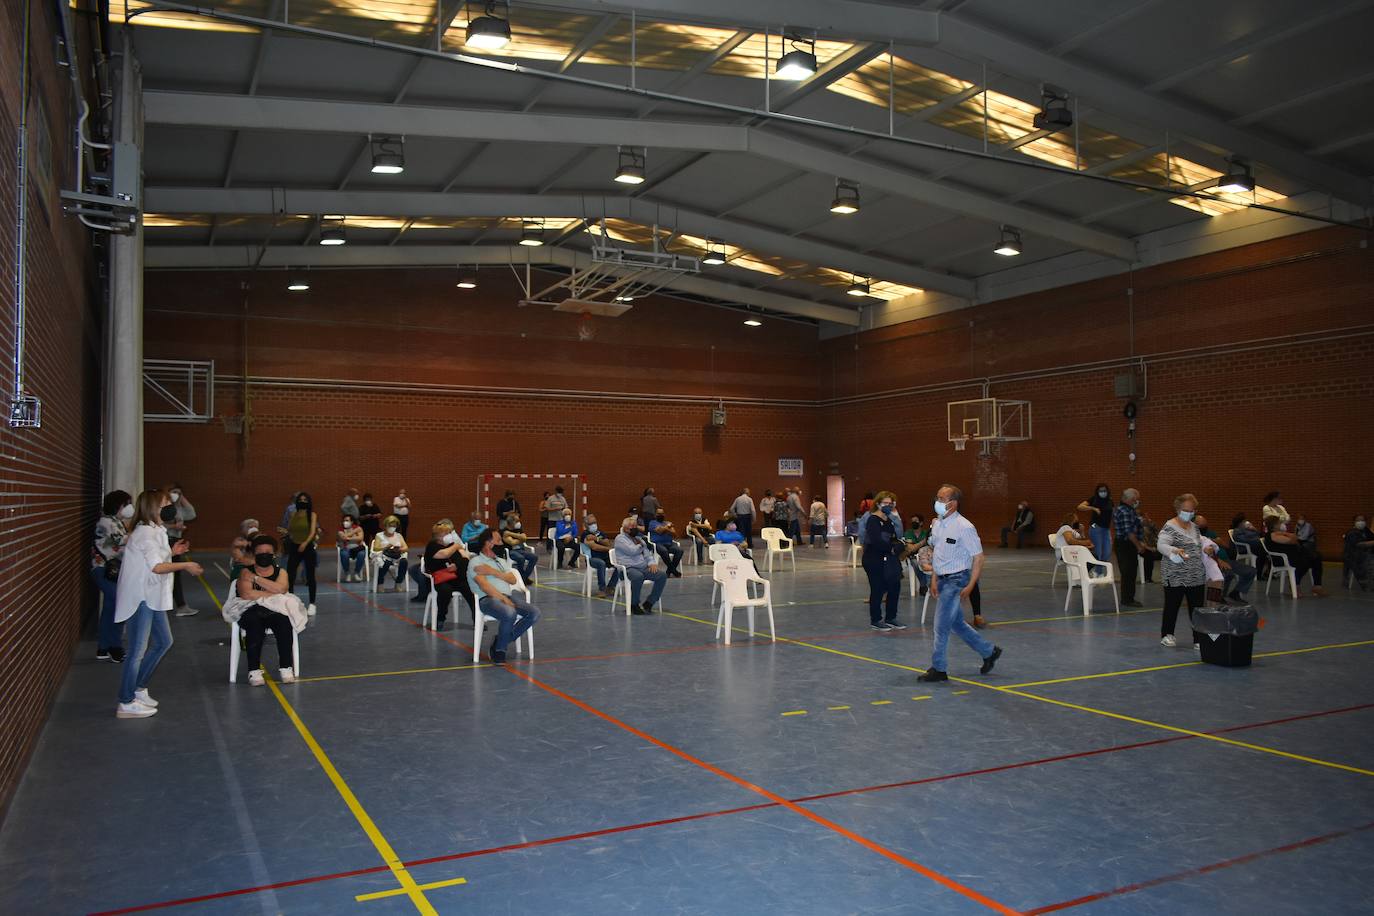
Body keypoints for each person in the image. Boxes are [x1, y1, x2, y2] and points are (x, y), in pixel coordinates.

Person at [113, 489, 202, 718]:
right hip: (141, 597)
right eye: (164, 503)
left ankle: (138, 688)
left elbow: (156, 559)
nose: (169, 506)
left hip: (152, 596)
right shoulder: (144, 533)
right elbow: (156, 567)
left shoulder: (157, 530)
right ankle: (126, 701)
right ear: (152, 507)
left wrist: (172, 552)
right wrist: (186, 565)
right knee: (137, 651)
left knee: (164, 642)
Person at [919, 485, 1001, 682]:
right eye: (937, 497)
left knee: (940, 625)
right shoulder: (937, 524)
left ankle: (939, 668)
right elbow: (938, 553)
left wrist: (971, 584)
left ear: (953, 503)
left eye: (942, 498)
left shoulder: (965, 527)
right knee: (956, 623)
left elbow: (979, 558)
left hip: (958, 579)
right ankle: (989, 651)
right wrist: (934, 578)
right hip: (942, 578)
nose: (937, 502)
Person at [222, 535, 308, 686]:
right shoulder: (244, 572)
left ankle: (286, 667)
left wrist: (255, 579)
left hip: (275, 610)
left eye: (268, 552)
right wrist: (272, 592)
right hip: (249, 609)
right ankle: (253, 670)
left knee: (284, 623)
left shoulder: (280, 572)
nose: (264, 555)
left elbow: (281, 589)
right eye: (260, 552)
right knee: (255, 626)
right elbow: (246, 594)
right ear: (254, 554)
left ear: (274, 554)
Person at [468, 528, 541, 663]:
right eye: (498, 541)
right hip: (488, 599)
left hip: (507, 596)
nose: (501, 543)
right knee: (509, 613)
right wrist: (503, 599)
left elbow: (512, 579)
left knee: (534, 613)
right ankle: (500, 650)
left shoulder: (501, 561)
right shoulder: (475, 562)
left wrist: (492, 571)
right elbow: (485, 586)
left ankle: (501, 641)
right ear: (488, 543)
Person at [1157, 493, 1210, 649]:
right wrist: (1174, 550)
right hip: (1175, 575)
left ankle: (1199, 638)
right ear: (1178, 509)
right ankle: (1167, 635)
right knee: (1172, 606)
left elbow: (1198, 544)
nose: (1190, 513)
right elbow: (1161, 545)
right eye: (1186, 510)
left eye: (1192, 510)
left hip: (1196, 575)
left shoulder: (1195, 527)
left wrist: (1207, 549)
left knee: (1197, 608)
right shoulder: (1169, 526)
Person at [92, 490, 133, 663]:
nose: (129, 507)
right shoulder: (107, 522)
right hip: (104, 570)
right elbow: (121, 541)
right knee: (118, 606)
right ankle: (115, 646)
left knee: (110, 608)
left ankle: (103, 647)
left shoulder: (116, 521)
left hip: (110, 570)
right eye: (127, 503)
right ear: (118, 505)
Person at [862, 491, 905, 631]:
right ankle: (876, 619)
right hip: (873, 559)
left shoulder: (890, 520)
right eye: (885, 503)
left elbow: (894, 537)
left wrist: (899, 545)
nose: (888, 505)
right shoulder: (872, 520)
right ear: (878, 503)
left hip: (888, 560)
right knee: (878, 589)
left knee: (894, 587)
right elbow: (876, 541)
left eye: (890, 503)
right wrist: (891, 549)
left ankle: (891, 617)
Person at [423, 519, 475, 631]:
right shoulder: (432, 546)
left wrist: (457, 564)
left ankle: (476, 619)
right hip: (441, 579)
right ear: (438, 536)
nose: (449, 535)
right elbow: (444, 554)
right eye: (446, 533)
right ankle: (440, 618)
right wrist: (457, 547)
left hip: (457, 577)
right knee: (445, 592)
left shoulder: (452, 545)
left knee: (470, 590)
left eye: (449, 533)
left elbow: (466, 558)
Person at [1264, 513, 1328, 597]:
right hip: (1283, 559)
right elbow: (1292, 541)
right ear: (1274, 525)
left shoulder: (1279, 533)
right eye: (1279, 523)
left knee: (1317, 557)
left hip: (1293, 556)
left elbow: (1294, 537)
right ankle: (1295, 585)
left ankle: (1317, 586)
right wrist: (1287, 535)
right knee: (1306, 561)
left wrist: (1285, 534)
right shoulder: (1272, 535)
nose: (1281, 524)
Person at [1197, 514, 1256, 602]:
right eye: (1201, 526)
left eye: (1205, 525)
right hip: (1212, 562)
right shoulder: (1194, 536)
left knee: (1251, 571)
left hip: (1227, 560)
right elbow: (1205, 552)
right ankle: (1220, 597)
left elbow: (1225, 545)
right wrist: (1219, 560)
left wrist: (1218, 542)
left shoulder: (1211, 533)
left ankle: (1235, 593)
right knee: (1227, 574)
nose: (1204, 527)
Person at [615, 517, 667, 614]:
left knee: (662, 576)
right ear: (625, 528)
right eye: (632, 527)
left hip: (643, 567)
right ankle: (634, 604)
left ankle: (650, 602)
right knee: (638, 576)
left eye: (635, 526)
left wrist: (651, 563)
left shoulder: (638, 539)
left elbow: (647, 554)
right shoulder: (620, 539)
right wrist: (642, 545)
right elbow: (632, 551)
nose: (635, 529)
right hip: (627, 569)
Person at [280, 492, 320, 616]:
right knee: (290, 575)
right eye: (300, 499)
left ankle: (312, 604)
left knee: (310, 576)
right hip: (294, 547)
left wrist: (305, 543)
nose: (303, 501)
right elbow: (290, 530)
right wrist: (284, 531)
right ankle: (291, 601)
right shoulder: (293, 514)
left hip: (307, 547)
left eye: (305, 499)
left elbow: (313, 531)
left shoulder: (312, 515)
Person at [163, 483, 199, 617]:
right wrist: (174, 526)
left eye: (178, 492)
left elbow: (191, 513)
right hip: (166, 541)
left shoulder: (179, 508)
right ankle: (180, 605)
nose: (176, 495)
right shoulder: (164, 507)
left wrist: (182, 497)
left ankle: (180, 605)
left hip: (175, 542)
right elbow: (159, 524)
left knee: (175, 575)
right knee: (170, 573)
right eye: (173, 492)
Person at [1112, 488, 1146, 608]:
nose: (1136, 502)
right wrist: (1139, 545)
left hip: (1126, 544)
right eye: (1136, 500)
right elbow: (1129, 532)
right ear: (1131, 499)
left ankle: (1128, 598)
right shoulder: (1125, 511)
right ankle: (1127, 599)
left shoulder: (1128, 509)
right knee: (1128, 573)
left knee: (1130, 572)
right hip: (1125, 545)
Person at [1076, 484, 1114, 572]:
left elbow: (1112, 513)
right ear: (1097, 492)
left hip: (1106, 529)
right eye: (1100, 491)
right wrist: (1093, 508)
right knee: (1098, 552)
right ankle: (1098, 572)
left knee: (1107, 553)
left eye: (1104, 490)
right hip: (1096, 528)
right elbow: (1080, 507)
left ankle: (1096, 570)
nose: (1103, 492)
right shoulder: (1094, 499)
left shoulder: (1110, 500)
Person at [581, 515, 622, 597]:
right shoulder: (585, 534)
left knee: (620, 564)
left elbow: (608, 542)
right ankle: (602, 589)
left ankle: (610, 587)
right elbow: (594, 547)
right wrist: (608, 549)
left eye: (594, 522)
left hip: (606, 557)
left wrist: (596, 539)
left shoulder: (600, 532)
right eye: (591, 523)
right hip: (592, 558)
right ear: (586, 525)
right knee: (601, 563)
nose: (594, 525)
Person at [371, 515, 409, 592]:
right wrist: (386, 547)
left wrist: (398, 549)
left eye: (394, 526)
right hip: (383, 556)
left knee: (404, 562)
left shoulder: (398, 535)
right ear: (385, 526)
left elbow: (406, 548)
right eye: (390, 525)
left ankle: (398, 583)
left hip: (396, 555)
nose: (392, 527)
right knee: (386, 563)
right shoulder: (379, 535)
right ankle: (380, 584)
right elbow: (375, 548)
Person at [502, 512, 538, 582]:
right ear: (512, 522)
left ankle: (523, 577)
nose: (519, 523)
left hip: (521, 550)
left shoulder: (514, 530)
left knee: (534, 557)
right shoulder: (503, 531)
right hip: (510, 551)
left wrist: (510, 534)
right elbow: (512, 543)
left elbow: (524, 538)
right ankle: (523, 578)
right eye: (517, 521)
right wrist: (520, 538)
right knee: (520, 558)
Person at [901, 514, 930, 596]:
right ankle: (924, 585)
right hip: (913, 556)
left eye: (916, 521)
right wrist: (923, 541)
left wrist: (916, 545)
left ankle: (927, 584)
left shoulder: (925, 532)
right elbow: (911, 549)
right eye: (912, 521)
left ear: (921, 523)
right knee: (915, 562)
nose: (913, 523)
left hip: (926, 556)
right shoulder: (908, 533)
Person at [647, 512, 684, 578]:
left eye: (662, 514)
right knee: (664, 551)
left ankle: (669, 571)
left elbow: (674, 534)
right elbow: (659, 531)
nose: (661, 515)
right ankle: (674, 571)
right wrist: (668, 527)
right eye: (659, 514)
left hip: (669, 543)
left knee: (680, 550)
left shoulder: (667, 522)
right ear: (656, 515)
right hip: (657, 544)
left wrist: (665, 528)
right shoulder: (652, 523)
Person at [1343, 515, 1374, 589]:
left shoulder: (1365, 530)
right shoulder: (1351, 533)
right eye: (1358, 520)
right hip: (1354, 556)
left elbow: (1372, 537)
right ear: (1354, 522)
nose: (1361, 522)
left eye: (1362, 520)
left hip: (1366, 554)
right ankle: (1367, 582)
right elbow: (1360, 544)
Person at [337, 515, 367, 582]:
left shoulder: (358, 528)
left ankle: (356, 572)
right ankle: (347, 573)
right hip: (346, 548)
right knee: (344, 554)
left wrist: (348, 538)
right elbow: (343, 538)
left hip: (357, 548)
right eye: (344, 520)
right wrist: (354, 532)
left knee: (362, 554)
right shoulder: (341, 529)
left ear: (352, 521)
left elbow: (360, 538)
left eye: (347, 520)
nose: (345, 522)